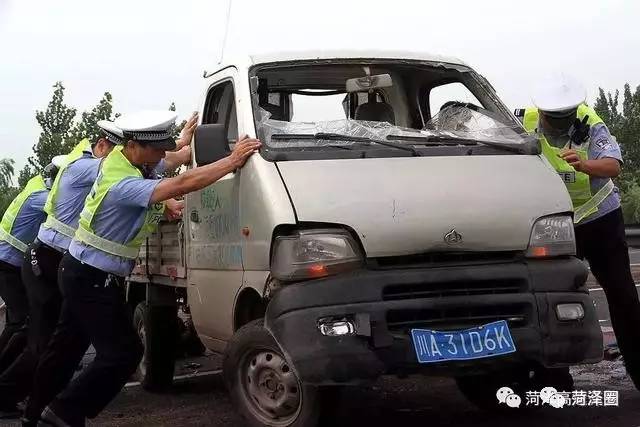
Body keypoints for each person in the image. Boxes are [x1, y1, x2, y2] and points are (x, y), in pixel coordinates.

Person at [32, 110, 260, 427]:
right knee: (123, 353)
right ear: (135, 145)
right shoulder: (122, 182)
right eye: (156, 150)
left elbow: (168, 173)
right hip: (89, 277)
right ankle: (63, 412)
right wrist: (232, 161)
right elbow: (183, 180)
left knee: (64, 351)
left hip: (82, 271)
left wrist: (171, 191)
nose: (160, 156)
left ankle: (40, 414)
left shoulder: (130, 165)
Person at [15, 114, 197, 425]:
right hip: (58, 261)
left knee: (64, 348)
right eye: (117, 150)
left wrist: (178, 145)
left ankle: (40, 415)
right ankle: (47, 409)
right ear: (109, 146)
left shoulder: (111, 164)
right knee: (64, 345)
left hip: (69, 262)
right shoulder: (89, 167)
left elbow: (152, 171)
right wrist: (179, 149)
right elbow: (157, 173)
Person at [519, 73, 640, 390]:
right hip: (554, 223)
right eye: (553, 120)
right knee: (550, 298)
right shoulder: (523, 120)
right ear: (541, 112)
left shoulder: (591, 121)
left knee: (622, 295)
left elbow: (614, 165)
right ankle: (554, 376)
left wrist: (586, 165)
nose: (559, 126)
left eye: (566, 119)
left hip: (599, 218)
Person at [0, 158, 62, 385]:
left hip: (11, 262)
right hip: (7, 263)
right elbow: (66, 210)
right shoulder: (42, 197)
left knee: (19, 321)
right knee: (21, 321)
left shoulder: (36, 184)